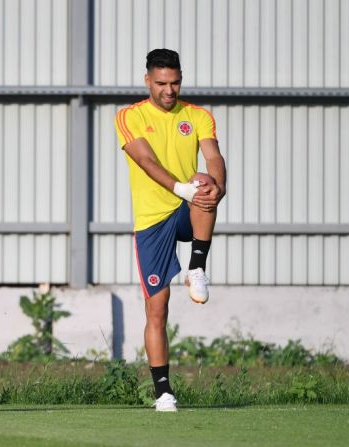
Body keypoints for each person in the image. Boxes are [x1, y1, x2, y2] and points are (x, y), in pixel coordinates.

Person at [114, 49, 226, 412]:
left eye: (175, 82)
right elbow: (145, 160)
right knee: (157, 309)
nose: (169, 90)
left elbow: (213, 158)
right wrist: (181, 187)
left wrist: (215, 188)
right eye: (161, 83)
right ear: (148, 80)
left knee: (206, 180)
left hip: (187, 207)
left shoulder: (197, 116)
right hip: (152, 221)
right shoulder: (129, 116)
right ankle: (163, 392)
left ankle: (197, 266)